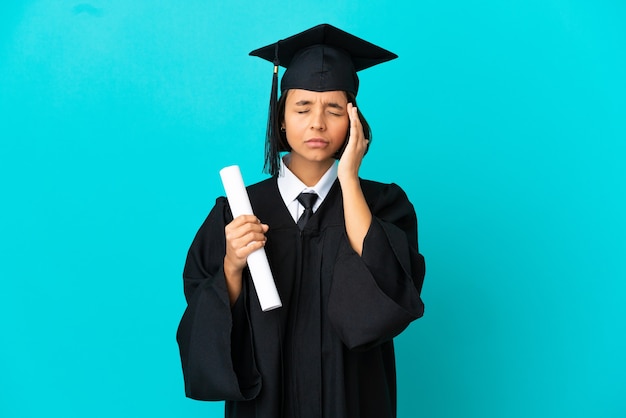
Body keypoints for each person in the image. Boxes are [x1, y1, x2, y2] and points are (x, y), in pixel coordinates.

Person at [176, 23, 425, 418]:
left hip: (354, 400)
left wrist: (349, 180)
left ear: (354, 122)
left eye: (334, 110)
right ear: (280, 119)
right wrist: (232, 267)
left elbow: (391, 291)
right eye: (302, 107)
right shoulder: (238, 211)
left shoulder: (383, 203)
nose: (317, 124)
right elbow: (204, 319)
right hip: (267, 404)